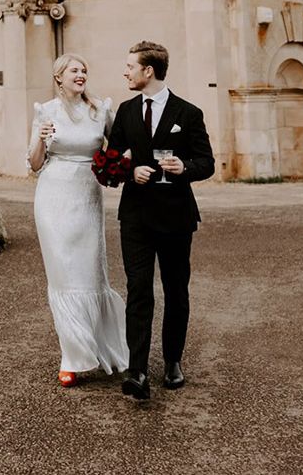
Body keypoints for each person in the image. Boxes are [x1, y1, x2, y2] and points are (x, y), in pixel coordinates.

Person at [107, 41, 215, 400]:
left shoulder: (189, 113)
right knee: (139, 290)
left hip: (176, 216)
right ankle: (137, 371)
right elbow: (109, 159)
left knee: (175, 290)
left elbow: (207, 162)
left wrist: (185, 168)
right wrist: (128, 170)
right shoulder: (124, 112)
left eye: (129, 66)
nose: (125, 72)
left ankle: (172, 361)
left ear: (148, 71)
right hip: (135, 216)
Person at [27, 53, 130, 387]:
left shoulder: (100, 110)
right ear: (59, 77)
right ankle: (70, 357)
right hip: (53, 195)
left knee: (89, 273)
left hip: (86, 195)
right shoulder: (45, 111)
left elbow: (119, 147)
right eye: (74, 70)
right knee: (62, 275)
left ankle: (102, 347)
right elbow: (33, 162)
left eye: (84, 70)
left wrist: (117, 166)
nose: (81, 74)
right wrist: (41, 139)